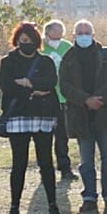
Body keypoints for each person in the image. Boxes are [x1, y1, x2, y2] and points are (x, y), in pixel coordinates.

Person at [0, 22, 62, 214]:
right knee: (19, 163)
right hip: (18, 116)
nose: (27, 44)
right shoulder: (8, 61)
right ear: (17, 41)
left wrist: (27, 83)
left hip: (43, 116)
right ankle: (14, 208)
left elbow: (50, 84)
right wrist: (33, 90)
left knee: (46, 162)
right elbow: (6, 86)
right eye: (23, 41)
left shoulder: (45, 61)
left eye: (31, 41)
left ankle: (53, 205)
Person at [60, 19, 107, 214]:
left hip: (106, 115)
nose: (83, 35)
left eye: (87, 32)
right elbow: (65, 86)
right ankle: (89, 197)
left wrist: (99, 99)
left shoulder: (106, 55)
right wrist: (85, 100)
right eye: (80, 32)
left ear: (93, 35)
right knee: (86, 160)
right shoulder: (68, 57)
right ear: (74, 35)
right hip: (81, 116)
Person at [41, 20, 77, 185]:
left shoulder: (67, 46)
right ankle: (45, 169)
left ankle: (65, 168)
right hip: (45, 98)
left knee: (62, 136)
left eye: (62, 29)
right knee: (44, 136)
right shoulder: (40, 47)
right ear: (48, 31)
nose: (60, 32)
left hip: (63, 98)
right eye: (56, 29)